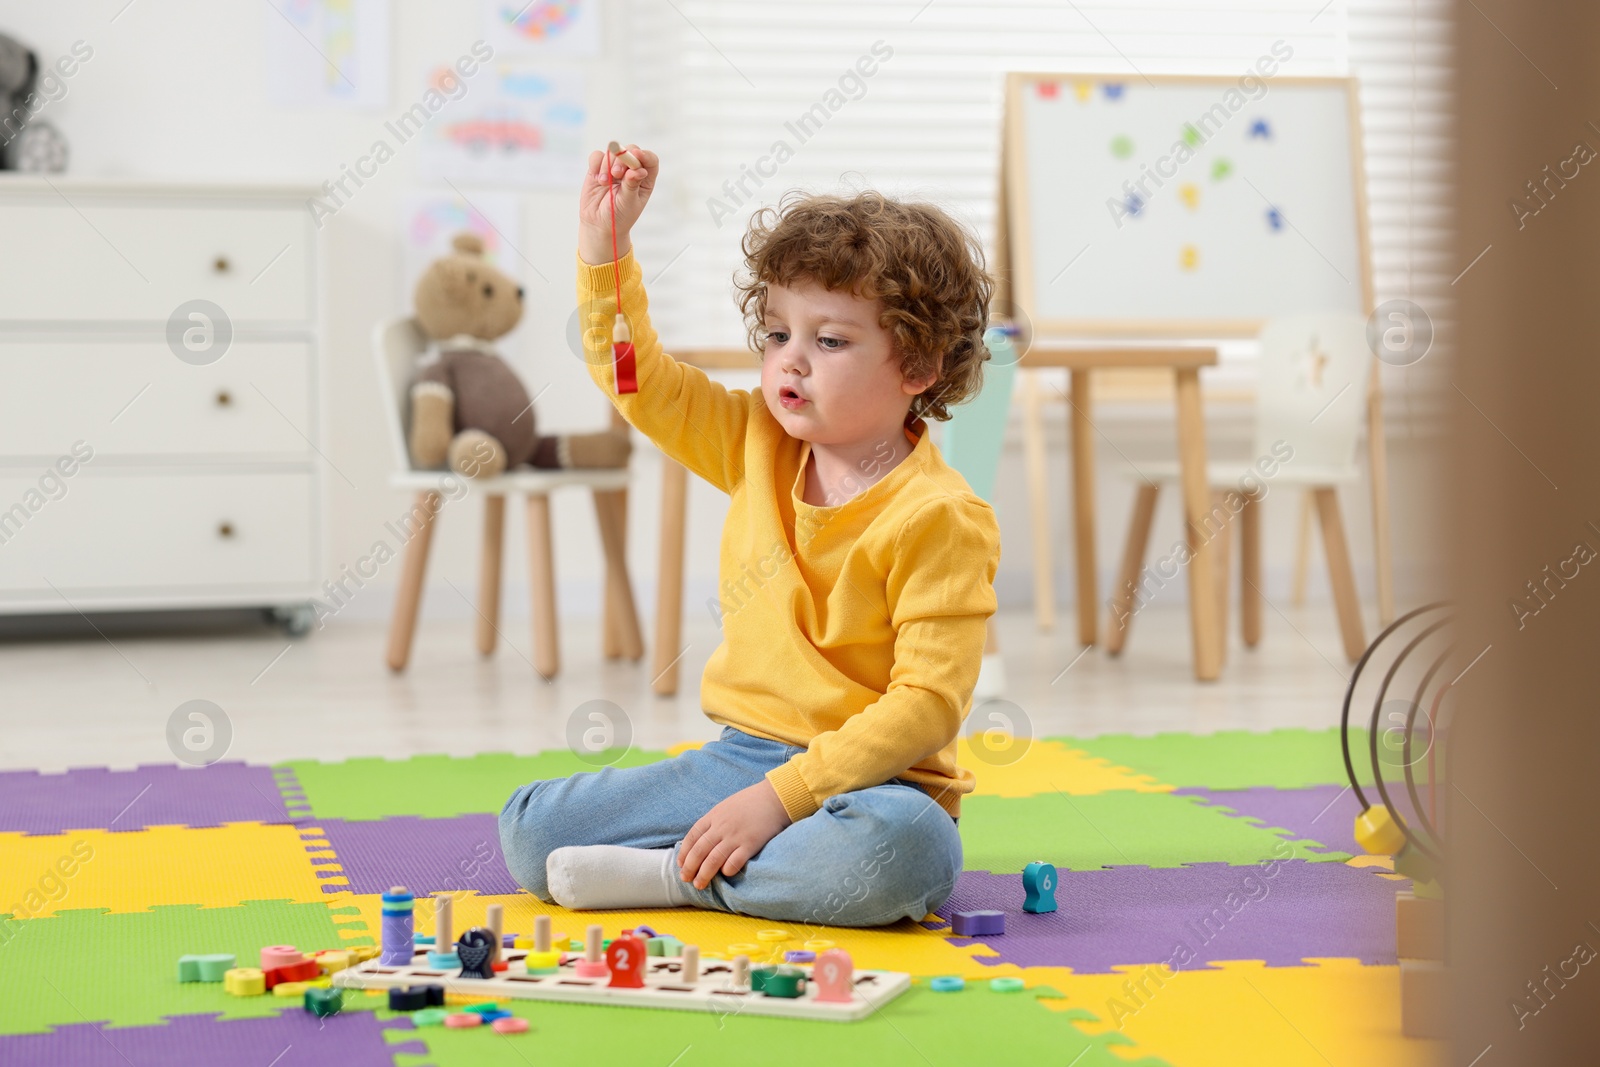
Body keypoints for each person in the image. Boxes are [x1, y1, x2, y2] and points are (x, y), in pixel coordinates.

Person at [498, 144, 1002, 927]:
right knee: (533, 831)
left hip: (878, 786)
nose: (790, 362)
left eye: (829, 341)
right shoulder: (755, 438)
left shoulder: (941, 516)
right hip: (742, 756)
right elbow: (639, 382)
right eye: (776, 335)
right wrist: (607, 250)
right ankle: (725, 865)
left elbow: (928, 707)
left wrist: (782, 800)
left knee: (906, 854)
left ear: (919, 365)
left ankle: (675, 876)